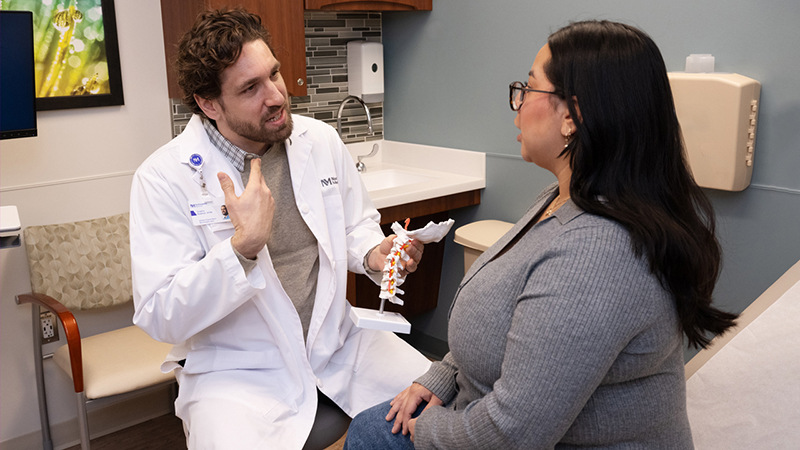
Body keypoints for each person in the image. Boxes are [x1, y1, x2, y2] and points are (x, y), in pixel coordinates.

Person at [343, 20, 738, 450]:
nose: (517, 103)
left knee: (372, 433)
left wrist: (427, 430)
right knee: (374, 425)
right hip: (487, 407)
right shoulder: (563, 200)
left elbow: (511, 433)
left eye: (528, 88)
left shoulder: (594, 256)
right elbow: (502, 320)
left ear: (571, 116)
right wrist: (442, 375)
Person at [129, 8, 431, 449]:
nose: (276, 96)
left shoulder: (320, 140)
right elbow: (161, 314)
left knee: (448, 407)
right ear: (209, 103)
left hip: (340, 345)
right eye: (250, 88)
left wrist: (373, 253)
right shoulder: (163, 178)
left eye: (274, 74)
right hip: (237, 373)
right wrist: (241, 250)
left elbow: (355, 226)